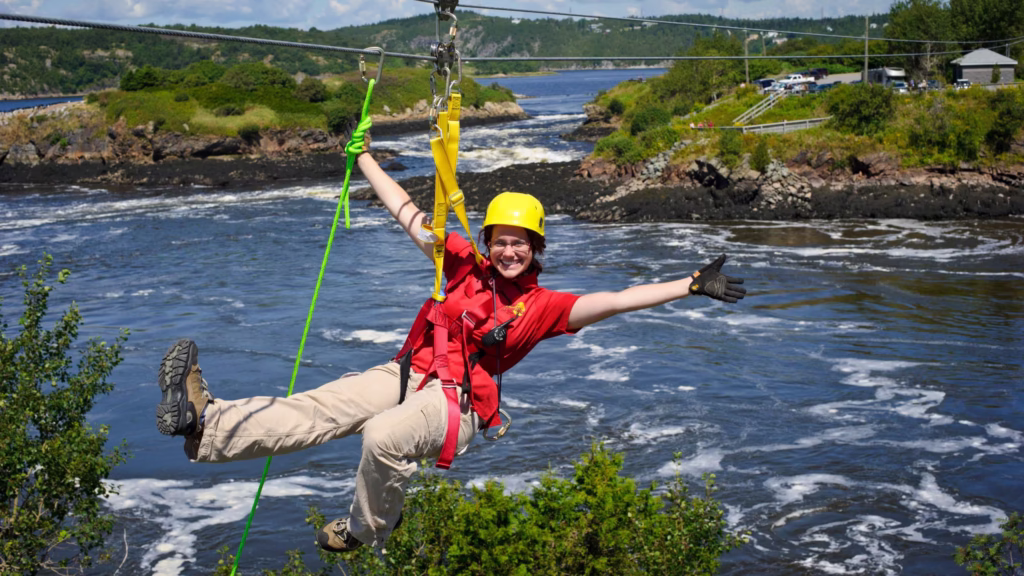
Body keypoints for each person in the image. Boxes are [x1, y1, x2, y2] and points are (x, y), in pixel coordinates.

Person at [154, 140, 747, 554]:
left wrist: (690, 284)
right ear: (487, 242)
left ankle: (364, 529)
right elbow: (407, 213)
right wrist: (364, 158)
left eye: (521, 243)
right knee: (318, 408)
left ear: (535, 249)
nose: (509, 251)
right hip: (408, 371)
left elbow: (616, 299)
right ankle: (205, 426)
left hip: (457, 402)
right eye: (501, 241)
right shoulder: (461, 264)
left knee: (382, 436)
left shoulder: (544, 306)